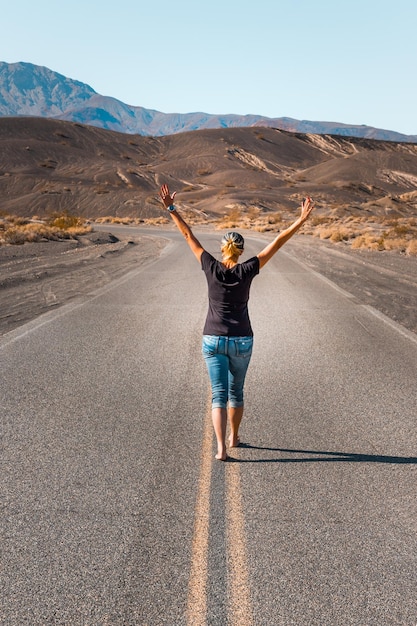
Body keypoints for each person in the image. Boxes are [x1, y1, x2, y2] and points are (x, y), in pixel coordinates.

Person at [159, 184, 314, 460]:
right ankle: (234, 437)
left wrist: (172, 208)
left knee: (217, 395)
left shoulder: (210, 265)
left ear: (222, 249)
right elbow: (277, 242)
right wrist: (300, 220)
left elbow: (187, 234)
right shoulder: (248, 269)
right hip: (242, 339)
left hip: (213, 339)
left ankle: (219, 448)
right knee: (236, 392)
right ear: (240, 251)